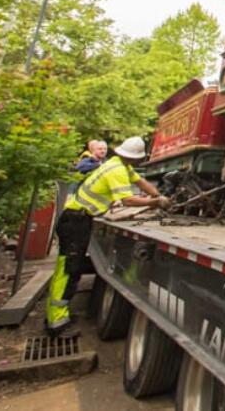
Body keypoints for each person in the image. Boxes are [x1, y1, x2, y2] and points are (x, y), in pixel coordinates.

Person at [46, 136, 169, 338]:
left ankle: (58, 314)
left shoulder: (117, 163)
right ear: (137, 158)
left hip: (76, 219)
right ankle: (56, 323)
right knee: (68, 269)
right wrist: (154, 203)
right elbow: (127, 200)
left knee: (69, 268)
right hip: (76, 221)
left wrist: (157, 195)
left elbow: (141, 182)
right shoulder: (117, 170)